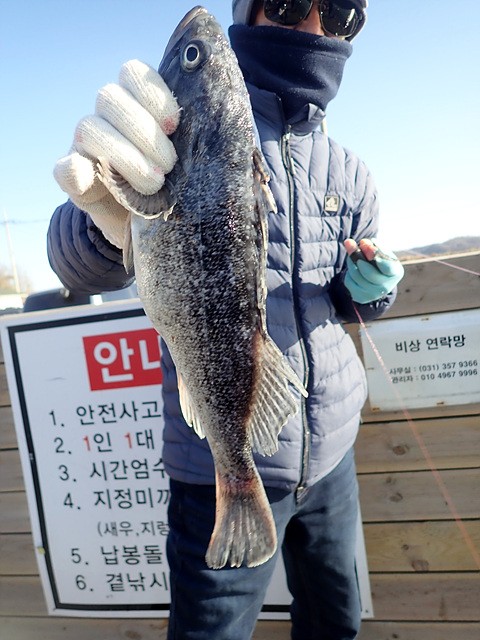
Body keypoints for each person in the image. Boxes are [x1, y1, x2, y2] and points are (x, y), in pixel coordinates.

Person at [48, 1, 404, 638]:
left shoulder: (351, 172)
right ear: (251, 13)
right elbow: (79, 262)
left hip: (333, 454)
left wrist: (369, 290)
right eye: (290, 3)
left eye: (340, 13)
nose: (314, 26)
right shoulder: (168, 134)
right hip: (210, 463)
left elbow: (344, 302)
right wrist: (103, 221)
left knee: (336, 624)